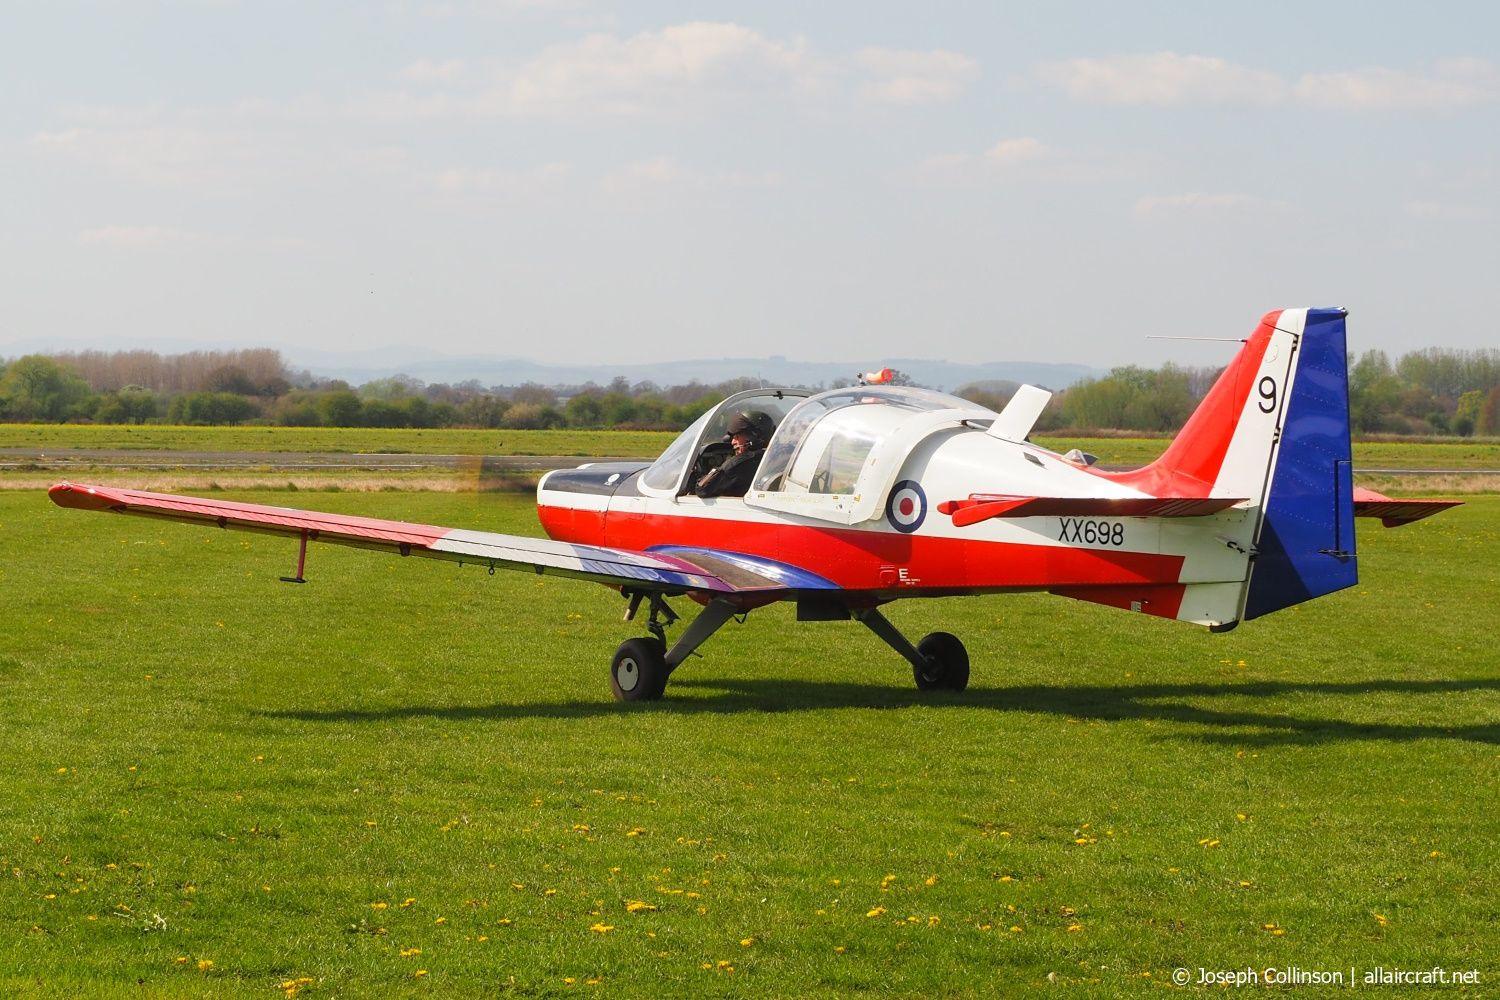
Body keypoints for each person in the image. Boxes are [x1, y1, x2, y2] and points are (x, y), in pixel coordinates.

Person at [695, 410, 774, 498]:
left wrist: (721, 467)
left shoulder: (736, 464)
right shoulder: (774, 457)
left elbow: (702, 489)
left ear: (753, 436)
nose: (733, 442)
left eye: (737, 437)